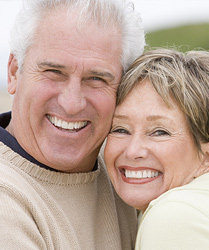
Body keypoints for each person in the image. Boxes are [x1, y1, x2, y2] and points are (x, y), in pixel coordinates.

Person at [0, 0, 146, 249]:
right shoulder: (6, 201)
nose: (71, 104)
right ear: (14, 72)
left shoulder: (132, 174)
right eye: (53, 72)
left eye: (96, 78)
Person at [104, 48, 209, 249]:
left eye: (159, 132)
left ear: (207, 156)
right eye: (121, 129)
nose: (133, 151)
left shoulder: (174, 216)